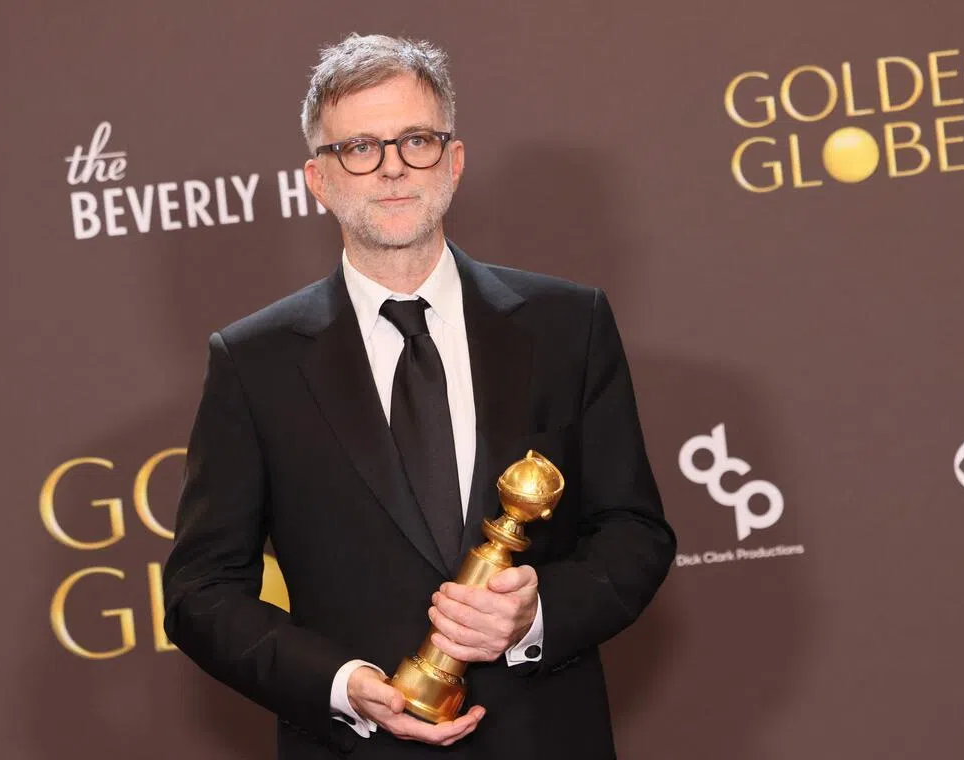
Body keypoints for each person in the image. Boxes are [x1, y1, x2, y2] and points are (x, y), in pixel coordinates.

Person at [161, 33, 675, 760]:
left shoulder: (568, 324)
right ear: (318, 179)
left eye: (417, 141)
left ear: (455, 161)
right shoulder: (253, 362)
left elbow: (635, 532)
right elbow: (200, 591)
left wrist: (535, 617)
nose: (393, 168)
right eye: (359, 147)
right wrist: (338, 682)